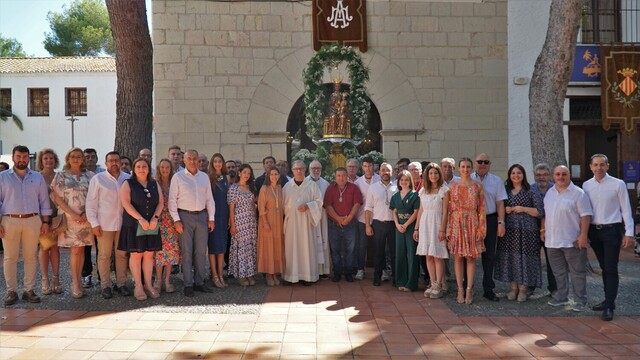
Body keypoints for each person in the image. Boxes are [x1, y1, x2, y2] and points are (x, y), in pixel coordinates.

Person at [583, 154, 635, 321]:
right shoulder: (586, 185)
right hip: (594, 231)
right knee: (604, 267)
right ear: (591, 167)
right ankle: (607, 300)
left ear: (607, 166)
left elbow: (626, 209)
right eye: (595, 165)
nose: (599, 168)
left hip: (612, 231)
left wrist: (629, 233)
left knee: (611, 268)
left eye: (602, 165)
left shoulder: (617, 184)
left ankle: (610, 305)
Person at [0, 145, 52, 305]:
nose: (21, 160)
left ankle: (29, 290)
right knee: (10, 257)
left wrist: (45, 222)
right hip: (9, 220)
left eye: (24, 157)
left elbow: (44, 200)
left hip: (33, 220)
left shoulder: (37, 177)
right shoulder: (2, 177)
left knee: (31, 256)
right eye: (18, 157)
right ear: (13, 158)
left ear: (28, 157)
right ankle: (11, 291)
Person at [543, 165, 592, 312]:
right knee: (558, 272)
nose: (560, 177)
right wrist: (543, 230)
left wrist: (583, 235)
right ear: (553, 176)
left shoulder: (579, 193)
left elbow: (586, 216)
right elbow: (546, 214)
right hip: (552, 240)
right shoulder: (549, 193)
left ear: (569, 175)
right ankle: (561, 297)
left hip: (572, 240)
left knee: (577, 272)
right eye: (557, 174)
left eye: (564, 174)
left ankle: (580, 300)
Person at [168, 149, 216, 297]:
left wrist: (211, 218)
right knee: (187, 252)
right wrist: (176, 220)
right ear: (184, 160)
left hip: (201, 216)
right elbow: (172, 201)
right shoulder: (178, 177)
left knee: (201, 252)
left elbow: (209, 199)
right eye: (189, 158)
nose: (193, 161)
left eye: (195, 158)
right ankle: (188, 284)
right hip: (184, 217)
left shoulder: (204, 177)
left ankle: (199, 283)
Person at [494, 164, 544, 302]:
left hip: (528, 231)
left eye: (519, 173)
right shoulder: (505, 190)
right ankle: (513, 288)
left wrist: (522, 208)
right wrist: (506, 210)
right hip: (509, 230)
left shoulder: (531, 190)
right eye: (513, 173)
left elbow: (539, 211)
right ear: (509, 175)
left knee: (525, 259)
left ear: (523, 175)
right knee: (511, 258)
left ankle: (523, 289)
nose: (516, 175)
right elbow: (499, 207)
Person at [85, 151, 131, 299]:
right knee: (104, 256)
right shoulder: (98, 179)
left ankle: (122, 284)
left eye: (117, 160)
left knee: (122, 254)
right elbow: (91, 204)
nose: (114, 163)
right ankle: (105, 285)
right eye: (111, 160)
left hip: (123, 224)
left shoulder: (128, 178)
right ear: (106, 163)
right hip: (104, 224)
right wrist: (94, 223)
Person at [51, 147, 95, 299]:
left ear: (83, 159)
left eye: (79, 156)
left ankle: (79, 281)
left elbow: (94, 196)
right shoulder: (61, 176)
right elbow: (57, 198)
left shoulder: (90, 176)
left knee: (82, 250)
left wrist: (85, 213)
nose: (76, 159)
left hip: (86, 218)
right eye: (73, 156)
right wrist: (74, 214)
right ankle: (75, 282)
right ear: (68, 159)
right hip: (70, 218)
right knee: (75, 250)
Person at [118, 158, 163, 301]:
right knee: (137, 255)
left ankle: (148, 285)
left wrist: (155, 217)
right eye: (138, 166)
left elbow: (161, 202)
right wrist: (140, 219)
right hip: (134, 224)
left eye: (144, 166)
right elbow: (126, 203)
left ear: (148, 169)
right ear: (133, 169)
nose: (141, 169)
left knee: (149, 254)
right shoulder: (128, 183)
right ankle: (138, 285)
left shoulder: (154, 183)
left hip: (152, 224)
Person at [447, 157, 486, 305]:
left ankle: (469, 289)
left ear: (471, 168)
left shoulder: (478, 187)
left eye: (468, 166)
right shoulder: (453, 187)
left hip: (472, 222)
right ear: (458, 168)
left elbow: (482, 208)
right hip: (457, 222)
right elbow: (449, 210)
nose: (465, 169)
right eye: (463, 166)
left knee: (470, 258)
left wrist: (481, 228)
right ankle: (460, 289)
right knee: (457, 257)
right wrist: (449, 229)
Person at [471, 153, 506, 302]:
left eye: (486, 161)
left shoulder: (496, 180)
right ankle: (468, 286)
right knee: (470, 254)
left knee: (489, 255)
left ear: (490, 164)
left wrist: (501, 222)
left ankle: (488, 288)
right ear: (475, 163)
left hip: (490, 219)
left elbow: (500, 203)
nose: (483, 164)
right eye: (480, 161)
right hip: (472, 220)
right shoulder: (467, 179)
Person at [282, 160, 323, 284]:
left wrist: (308, 206)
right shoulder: (287, 187)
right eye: (296, 169)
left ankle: (307, 276)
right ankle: (291, 276)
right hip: (292, 224)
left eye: (301, 169)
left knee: (307, 248)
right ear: (292, 171)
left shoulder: (312, 186)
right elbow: (282, 205)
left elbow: (319, 202)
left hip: (306, 223)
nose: (298, 171)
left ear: (305, 170)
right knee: (291, 249)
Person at [415, 163, 450, 298]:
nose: (433, 175)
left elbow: (446, 211)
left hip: (437, 224)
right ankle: (433, 282)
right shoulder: (423, 191)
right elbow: (420, 210)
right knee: (428, 256)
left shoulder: (444, 190)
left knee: (437, 256)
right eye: (430, 173)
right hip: (425, 224)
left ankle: (439, 285)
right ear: (427, 175)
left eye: (436, 173)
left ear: (439, 174)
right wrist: (417, 228)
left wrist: (442, 229)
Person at [324, 167, 362, 282]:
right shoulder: (330, 188)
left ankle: (349, 272)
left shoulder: (354, 188)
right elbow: (328, 206)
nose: (341, 178)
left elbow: (357, 204)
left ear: (347, 176)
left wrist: (349, 218)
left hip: (350, 224)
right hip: (334, 224)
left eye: (343, 175)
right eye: (339, 175)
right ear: (335, 177)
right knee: (335, 249)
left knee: (350, 249)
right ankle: (337, 272)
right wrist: (339, 219)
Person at [364, 163, 397, 286]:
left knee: (394, 252)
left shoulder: (397, 187)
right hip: (378, 223)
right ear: (379, 172)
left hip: (393, 224)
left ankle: (396, 279)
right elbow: (368, 208)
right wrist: (368, 225)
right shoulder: (373, 188)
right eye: (383, 170)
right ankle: (377, 277)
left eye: (387, 170)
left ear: (391, 172)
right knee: (379, 252)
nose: (385, 172)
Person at [36, 148, 62, 296]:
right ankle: (45, 280)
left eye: (51, 158)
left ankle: (56, 279)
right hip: (42, 218)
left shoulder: (60, 176)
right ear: (41, 161)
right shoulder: (36, 177)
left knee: (56, 249)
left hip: (58, 217)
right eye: (46, 158)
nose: (49, 161)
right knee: (45, 248)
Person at [228, 164, 258, 286]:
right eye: (245, 172)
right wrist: (233, 225)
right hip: (239, 222)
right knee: (241, 248)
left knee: (251, 248)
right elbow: (231, 209)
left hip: (251, 222)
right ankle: (241, 275)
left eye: (249, 173)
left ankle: (250, 273)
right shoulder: (233, 188)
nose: (247, 175)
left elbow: (255, 203)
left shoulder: (251, 188)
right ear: (239, 173)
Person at [528, 163, 556, 296]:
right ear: (534, 176)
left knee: (552, 260)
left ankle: (554, 289)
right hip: (533, 228)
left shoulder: (555, 189)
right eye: (538, 175)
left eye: (545, 174)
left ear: (549, 176)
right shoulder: (530, 189)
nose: (541, 177)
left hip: (551, 230)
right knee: (532, 259)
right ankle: (530, 286)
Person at [390, 170, 420, 291]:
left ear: (410, 181)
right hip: (399, 228)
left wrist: (406, 225)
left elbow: (416, 212)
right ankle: (400, 281)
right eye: (401, 180)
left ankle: (411, 283)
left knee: (412, 254)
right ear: (399, 182)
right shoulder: (395, 196)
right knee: (400, 254)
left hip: (411, 227)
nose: (404, 182)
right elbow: (394, 211)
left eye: (406, 180)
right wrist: (397, 224)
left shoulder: (415, 195)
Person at [154, 159, 180, 293]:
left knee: (170, 252)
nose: (165, 170)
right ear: (159, 169)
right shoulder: (154, 183)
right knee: (159, 252)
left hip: (172, 222)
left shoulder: (174, 183)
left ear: (171, 169)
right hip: (158, 221)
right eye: (162, 167)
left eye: (167, 167)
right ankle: (158, 280)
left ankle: (167, 280)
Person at [257, 166, 285, 286]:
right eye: (272, 174)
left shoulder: (279, 188)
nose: (274, 176)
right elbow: (261, 207)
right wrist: (265, 223)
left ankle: (275, 272)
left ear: (279, 176)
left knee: (277, 246)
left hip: (278, 221)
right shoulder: (264, 188)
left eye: (276, 174)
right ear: (268, 176)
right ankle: (268, 274)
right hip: (267, 221)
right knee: (268, 247)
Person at [354, 156, 380, 280]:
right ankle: (360, 269)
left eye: (370, 166)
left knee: (378, 244)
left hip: (378, 217)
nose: (368, 168)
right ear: (362, 167)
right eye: (365, 166)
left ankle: (381, 269)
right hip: (362, 218)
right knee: (362, 245)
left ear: (373, 166)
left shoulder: (380, 180)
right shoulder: (358, 183)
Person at [208, 153, 231, 288]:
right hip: (213, 216)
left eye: (220, 161)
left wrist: (229, 218)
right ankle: (214, 275)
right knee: (213, 247)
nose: (217, 164)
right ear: (212, 163)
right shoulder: (208, 177)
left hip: (224, 215)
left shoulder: (227, 178)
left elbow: (229, 199)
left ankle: (221, 274)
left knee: (222, 246)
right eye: (215, 161)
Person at [81, 148, 102, 289]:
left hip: (102, 217)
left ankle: (102, 275)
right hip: (83, 217)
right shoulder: (80, 175)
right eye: (87, 157)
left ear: (97, 158)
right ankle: (86, 275)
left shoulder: (104, 174)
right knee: (86, 248)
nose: (90, 159)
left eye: (93, 157)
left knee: (102, 248)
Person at [307, 160, 331, 278]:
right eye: (313, 168)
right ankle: (312, 268)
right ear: (309, 169)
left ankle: (323, 270)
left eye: (318, 168)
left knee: (323, 240)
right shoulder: (305, 182)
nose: (316, 170)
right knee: (311, 242)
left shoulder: (325, 183)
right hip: (309, 218)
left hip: (322, 217)